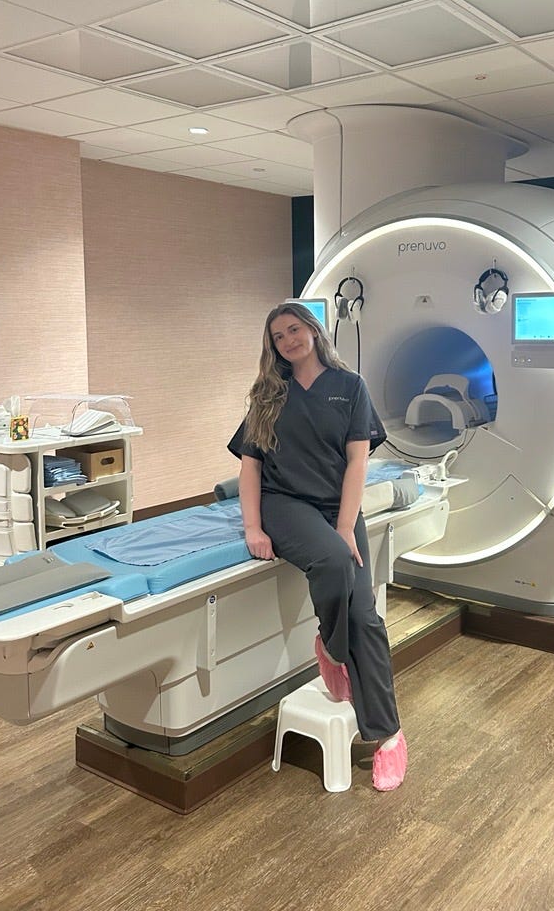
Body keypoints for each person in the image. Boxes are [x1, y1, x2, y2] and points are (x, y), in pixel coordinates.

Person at [228, 302, 407, 791]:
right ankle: (332, 649)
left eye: (294, 328)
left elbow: (357, 463)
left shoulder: (350, 388)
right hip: (284, 505)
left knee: (366, 616)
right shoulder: (269, 395)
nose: (288, 339)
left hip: (336, 508)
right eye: (278, 335)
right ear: (273, 346)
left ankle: (388, 735)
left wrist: (347, 525)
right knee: (331, 561)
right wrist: (253, 528)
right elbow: (250, 466)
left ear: (312, 329)